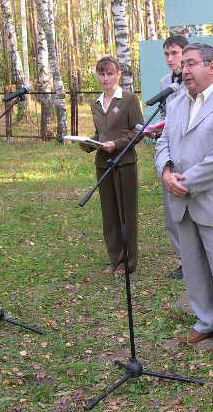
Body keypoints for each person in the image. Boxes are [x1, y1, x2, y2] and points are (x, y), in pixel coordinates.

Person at [155, 43, 213, 354]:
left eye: (191, 63)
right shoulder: (177, 102)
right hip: (181, 200)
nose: (184, 70)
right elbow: (163, 141)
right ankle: (206, 319)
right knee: (194, 266)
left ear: (212, 66)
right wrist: (166, 171)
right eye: (183, 64)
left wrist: (185, 181)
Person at [81, 57, 144, 275]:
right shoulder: (96, 103)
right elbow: (101, 134)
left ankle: (129, 262)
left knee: (126, 213)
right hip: (103, 164)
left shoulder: (129, 99)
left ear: (119, 74)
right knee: (109, 214)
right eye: (101, 73)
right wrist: (89, 143)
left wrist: (116, 144)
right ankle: (115, 259)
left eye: (109, 73)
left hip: (124, 163)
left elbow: (139, 131)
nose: (105, 78)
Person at [159, 35, 189, 279]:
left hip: (191, 151)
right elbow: (164, 117)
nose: (170, 59)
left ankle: (199, 259)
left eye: (174, 53)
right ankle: (184, 259)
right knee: (172, 213)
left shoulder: (194, 82)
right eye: (167, 54)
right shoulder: (164, 83)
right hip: (170, 151)